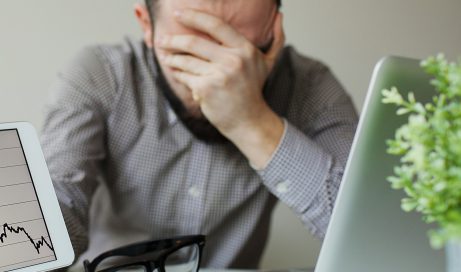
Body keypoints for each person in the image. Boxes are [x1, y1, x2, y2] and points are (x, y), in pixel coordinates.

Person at [40, 0, 358, 269]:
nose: (216, 80)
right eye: (189, 53)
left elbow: (368, 234)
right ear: (146, 25)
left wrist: (251, 121)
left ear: (273, 29)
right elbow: (59, 207)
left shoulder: (311, 87)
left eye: (243, 55)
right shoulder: (102, 73)